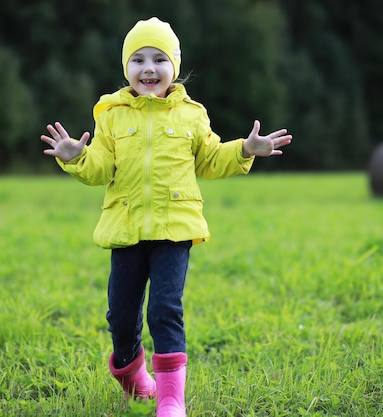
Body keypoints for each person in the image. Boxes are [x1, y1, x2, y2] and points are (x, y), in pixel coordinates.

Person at [40, 17, 292, 417]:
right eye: (138, 60)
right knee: (120, 318)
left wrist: (245, 149)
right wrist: (78, 158)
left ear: (174, 66)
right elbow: (102, 168)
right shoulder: (111, 114)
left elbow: (210, 158)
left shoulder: (192, 114)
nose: (149, 68)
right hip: (126, 229)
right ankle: (131, 375)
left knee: (164, 309)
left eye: (159, 59)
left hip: (174, 229)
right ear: (127, 69)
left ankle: (172, 400)